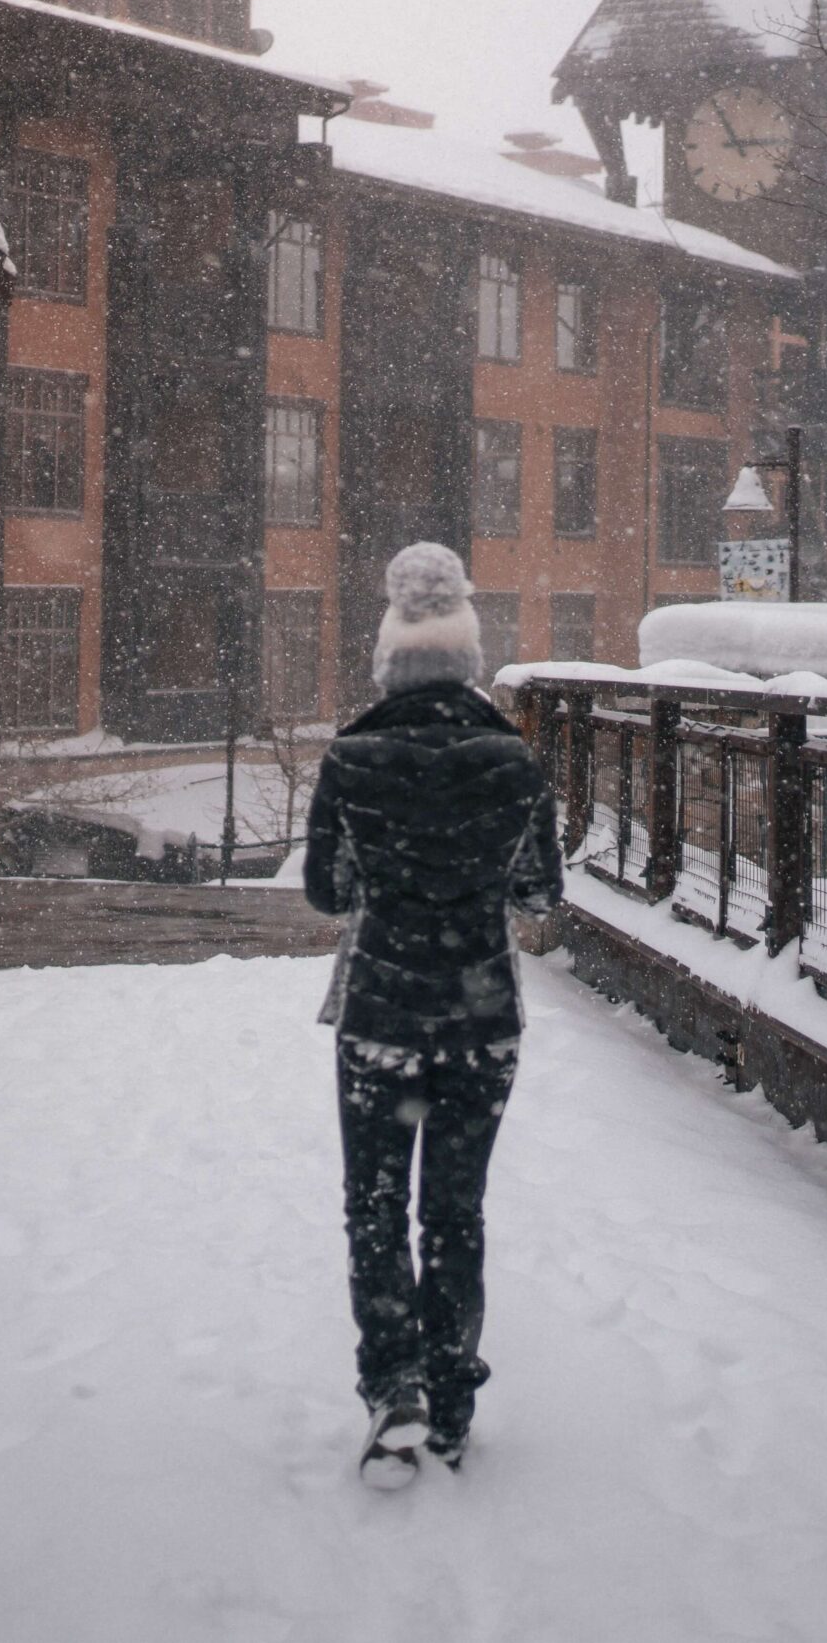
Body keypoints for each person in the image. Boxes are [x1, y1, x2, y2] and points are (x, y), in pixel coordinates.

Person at [301, 542, 563, 1489]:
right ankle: (451, 1395)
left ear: (390, 653)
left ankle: (394, 1386)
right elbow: (538, 894)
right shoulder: (514, 758)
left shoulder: (354, 753)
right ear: (467, 652)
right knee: (454, 1209)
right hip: (483, 1017)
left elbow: (327, 893)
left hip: (380, 1012)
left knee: (374, 1205)